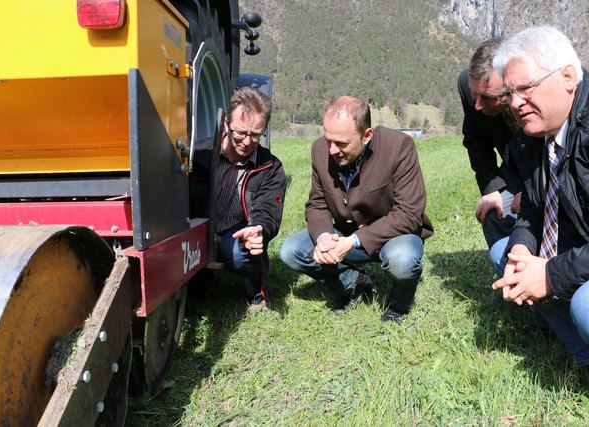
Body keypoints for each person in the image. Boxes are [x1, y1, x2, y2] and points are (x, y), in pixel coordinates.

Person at [490, 25, 589, 389]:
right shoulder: (534, 137)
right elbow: (533, 207)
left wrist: (552, 275)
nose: (515, 103)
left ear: (568, 77)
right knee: (505, 255)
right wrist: (522, 249)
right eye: (509, 93)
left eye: (526, 88)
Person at [280, 95, 434, 322]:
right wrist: (324, 237)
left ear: (367, 135)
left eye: (342, 143)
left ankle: (399, 304)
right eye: (328, 140)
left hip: (394, 235)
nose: (332, 150)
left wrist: (353, 241)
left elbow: (409, 213)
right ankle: (353, 282)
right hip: (345, 233)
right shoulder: (320, 150)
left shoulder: (399, 146)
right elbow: (317, 203)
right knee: (292, 251)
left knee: (402, 260)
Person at [189, 87, 286, 310]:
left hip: (235, 234)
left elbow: (267, 211)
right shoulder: (198, 155)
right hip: (196, 231)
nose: (247, 141)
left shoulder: (270, 167)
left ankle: (256, 294)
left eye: (256, 135)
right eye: (241, 132)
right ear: (226, 123)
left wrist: (258, 230)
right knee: (196, 300)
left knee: (244, 251)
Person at [458, 37, 522, 269]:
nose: (477, 104)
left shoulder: (538, 92)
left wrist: (534, 193)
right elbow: (476, 140)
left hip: (551, 172)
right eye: (475, 94)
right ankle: (510, 276)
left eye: (486, 97)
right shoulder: (471, 89)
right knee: (494, 212)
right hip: (514, 170)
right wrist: (492, 188)